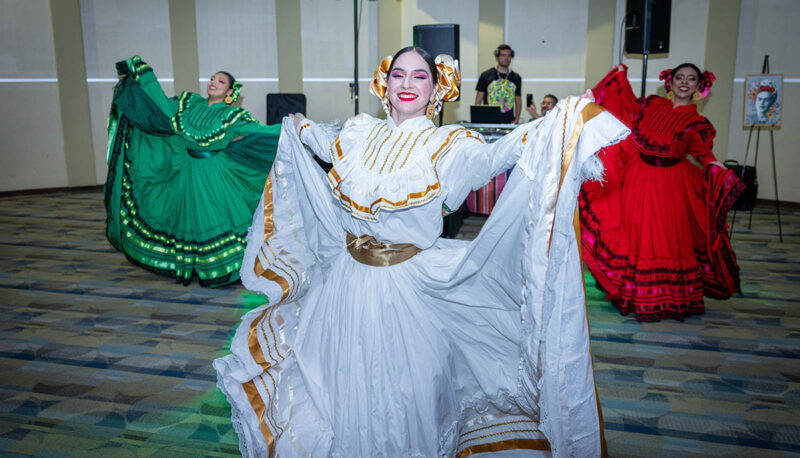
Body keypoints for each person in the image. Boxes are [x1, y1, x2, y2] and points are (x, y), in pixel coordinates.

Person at [213, 46, 629, 457]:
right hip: (345, 284)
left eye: (420, 76)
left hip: (407, 291)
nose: (407, 83)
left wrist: (555, 124)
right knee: (345, 381)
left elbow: (494, 155)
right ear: (385, 83)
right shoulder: (360, 132)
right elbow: (323, 142)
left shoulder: (447, 145)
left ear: (436, 90)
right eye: (399, 74)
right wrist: (299, 125)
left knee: (403, 395)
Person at [579, 63, 745, 322]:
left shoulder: (696, 122)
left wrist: (713, 164)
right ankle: (633, 294)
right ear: (670, 82)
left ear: (699, 86)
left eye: (691, 79)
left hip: (670, 186)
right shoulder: (651, 105)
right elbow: (624, 107)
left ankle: (667, 296)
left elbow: (701, 151)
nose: (684, 82)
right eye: (679, 77)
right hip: (638, 179)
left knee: (667, 238)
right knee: (636, 234)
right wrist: (618, 78)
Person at [104, 56, 281, 287]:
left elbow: (264, 131)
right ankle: (195, 265)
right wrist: (145, 78)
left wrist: (294, 126)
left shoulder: (232, 116)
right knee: (191, 219)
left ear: (230, 92)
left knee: (218, 217)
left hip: (214, 175)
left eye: (221, 81)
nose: (213, 82)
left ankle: (224, 270)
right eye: (212, 79)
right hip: (187, 172)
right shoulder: (189, 105)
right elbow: (160, 106)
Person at [475, 44, 522, 123]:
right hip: (488, 120)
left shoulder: (516, 77)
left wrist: (517, 119)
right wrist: (478, 119)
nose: (506, 58)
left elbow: (518, 101)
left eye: (509, 56)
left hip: (508, 121)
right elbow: (478, 100)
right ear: (497, 57)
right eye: (503, 55)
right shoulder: (486, 75)